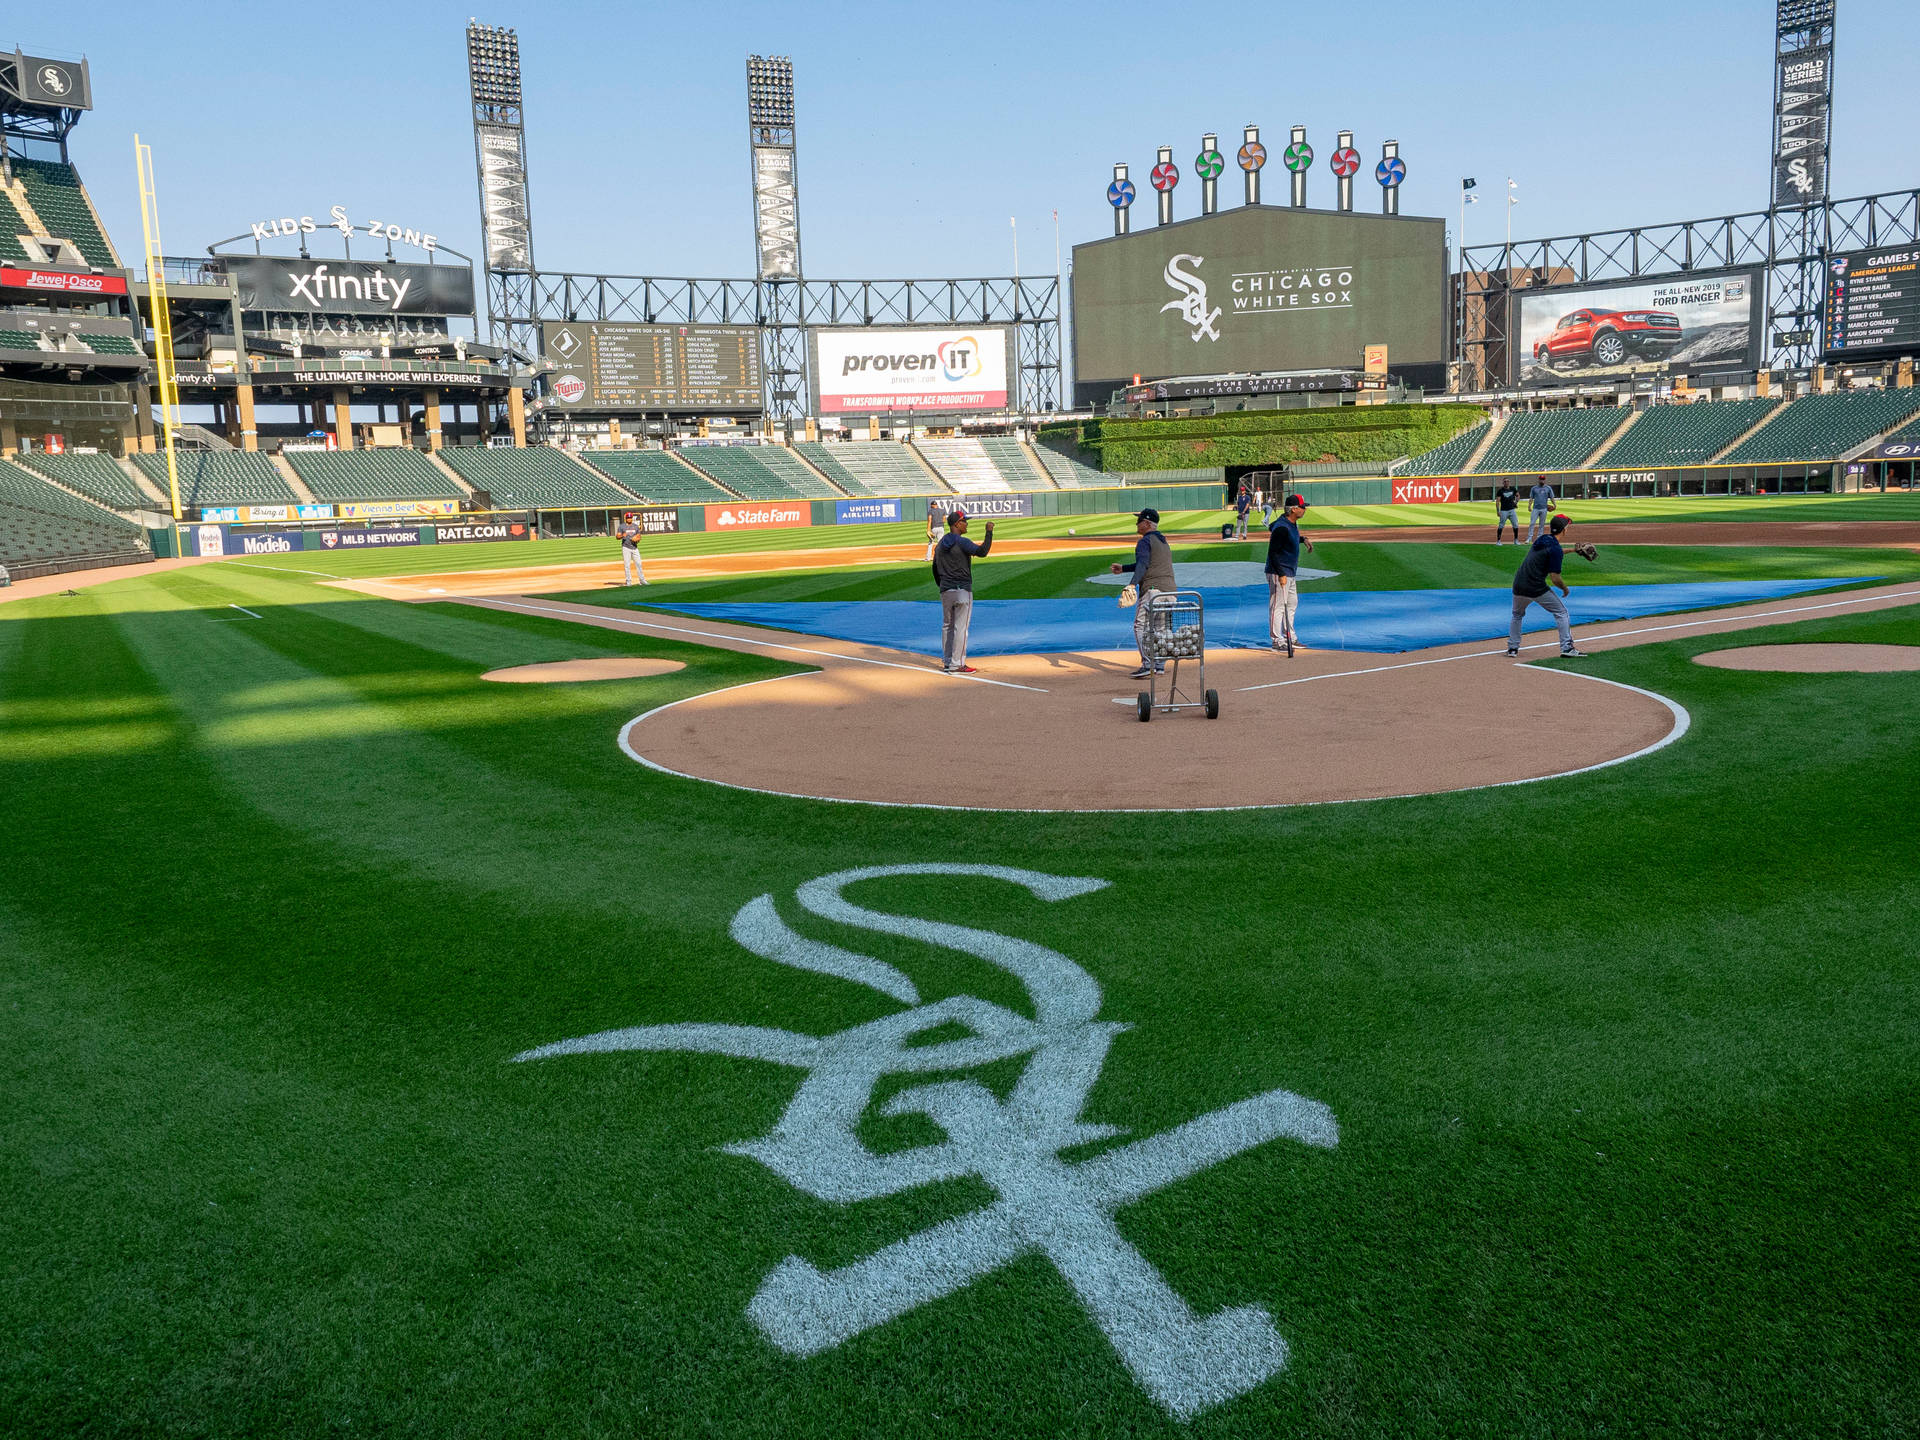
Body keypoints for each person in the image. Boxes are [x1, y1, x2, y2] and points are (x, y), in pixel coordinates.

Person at [1110, 507, 1177, 679]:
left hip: (1153, 590)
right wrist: (1124, 568)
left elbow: (1143, 565)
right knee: (1161, 628)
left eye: (1139, 520)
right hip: (1170, 591)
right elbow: (1147, 562)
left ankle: (1148, 663)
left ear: (1147, 523)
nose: (1137, 523)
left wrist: (1132, 584)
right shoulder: (1162, 540)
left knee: (1140, 626)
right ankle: (1160, 665)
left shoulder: (1144, 542)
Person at [1509, 513, 1587, 658]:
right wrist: (1564, 588)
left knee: (1517, 614)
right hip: (1535, 587)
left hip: (1519, 584)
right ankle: (1567, 648)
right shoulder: (1555, 549)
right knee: (1561, 613)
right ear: (1564, 529)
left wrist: (1572, 550)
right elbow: (1555, 578)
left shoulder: (1543, 539)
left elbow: (1552, 553)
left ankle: (1512, 648)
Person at [933, 507, 993, 674]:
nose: (967, 524)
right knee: (961, 628)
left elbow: (934, 568)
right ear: (957, 524)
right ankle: (957, 664)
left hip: (946, 591)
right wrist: (989, 532)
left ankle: (947, 661)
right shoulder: (962, 541)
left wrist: (943, 586)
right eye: (964, 521)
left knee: (947, 626)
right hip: (962, 591)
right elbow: (982, 552)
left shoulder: (940, 544)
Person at [1264, 492, 1315, 657]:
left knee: (1292, 603)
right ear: (1293, 509)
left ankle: (1290, 637)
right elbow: (1273, 553)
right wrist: (1281, 574)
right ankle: (1276, 640)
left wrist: (1303, 539)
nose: (1304, 509)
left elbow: (1290, 538)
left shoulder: (1291, 524)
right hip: (1279, 571)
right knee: (1278, 605)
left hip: (1290, 571)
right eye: (1302, 507)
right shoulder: (1281, 528)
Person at [615, 512, 646, 585]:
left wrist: (637, 539)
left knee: (639, 564)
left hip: (635, 548)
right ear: (626, 518)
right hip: (626, 547)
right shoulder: (622, 526)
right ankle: (628, 581)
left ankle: (642, 580)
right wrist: (622, 535)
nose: (629, 519)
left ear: (632, 518)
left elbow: (639, 536)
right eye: (628, 518)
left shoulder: (635, 526)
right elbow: (617, 537)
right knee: (627, 565)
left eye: (630, 517)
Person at [1527, 475, 1557, 542]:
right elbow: (1531, 498)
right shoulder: (1534, 488)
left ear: (1545, 480)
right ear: (1538, 480)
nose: (1542, 480)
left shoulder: (1548, 488)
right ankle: (1529, 538)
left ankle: (1539, 538)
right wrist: (1529, 506)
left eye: (1543, 479)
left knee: (1542, 524)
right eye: (1541, 479)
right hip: (1535, 508)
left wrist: (1554, 505)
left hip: (1544, 509)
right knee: (1532, 523)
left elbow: (1552, 497)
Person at [1494, 480, 1521, 545]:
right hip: (1503, 511)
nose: (1507, 482)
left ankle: (1516, 540)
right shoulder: (1500, 491)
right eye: (1505, 481)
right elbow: (1497, 501)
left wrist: (1516, 502)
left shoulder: (1513, 489)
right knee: (1501, 525)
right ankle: (1498, 541)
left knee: (1516, 525)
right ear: (1503, 483)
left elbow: (1518, 495)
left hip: (1512, 510)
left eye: (1508, 481)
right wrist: (1498, 511)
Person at [925, 498, 943, 562]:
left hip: (934, 528)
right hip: (941, 528)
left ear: (932, 505)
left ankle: (928, 558)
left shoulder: (931, 511)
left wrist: (928, 530)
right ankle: (942, 558)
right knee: (941, 543)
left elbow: (929, 520)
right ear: (936, 505)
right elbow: (944, 520)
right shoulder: (942, 510)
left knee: (930, 543)